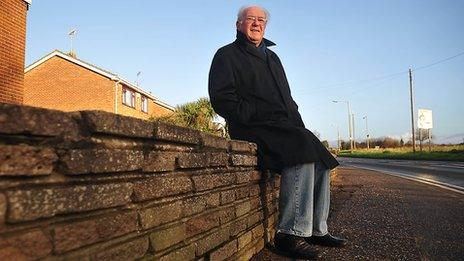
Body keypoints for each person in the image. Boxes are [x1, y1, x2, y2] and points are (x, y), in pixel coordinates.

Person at [208, 5, 347, 260]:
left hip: (282, 126)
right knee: (300, 150)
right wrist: (253, 112)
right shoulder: (226, 55)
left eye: (261, 20)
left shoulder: (274, 58)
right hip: (251, 127)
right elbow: (221, 99)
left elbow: (288, 99)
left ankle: (316, 229)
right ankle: (289, 234)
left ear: (266, 26)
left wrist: (300, 126)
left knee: (321, 157)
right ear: (238, 24)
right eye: (250, 19)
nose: (256, 23)